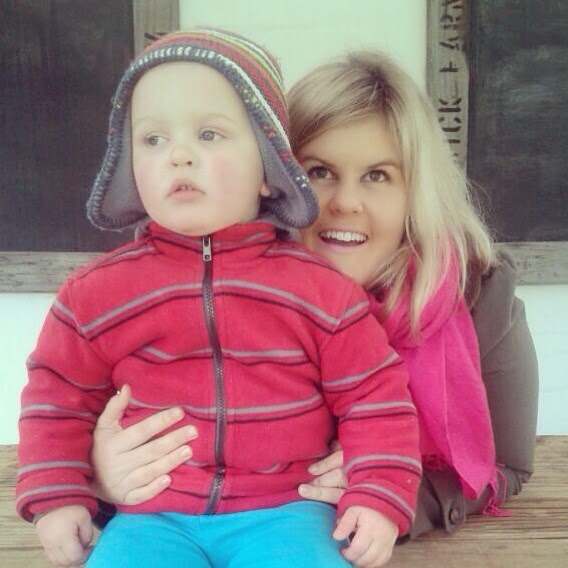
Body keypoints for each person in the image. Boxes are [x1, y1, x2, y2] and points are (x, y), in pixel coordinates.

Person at [88, 49, 539, 541]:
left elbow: (507, 465)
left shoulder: (479, 295)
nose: (345, 202)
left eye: (377, 175)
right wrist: (100, 478)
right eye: (320, 171)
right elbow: (74, 413)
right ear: (274, 177)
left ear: (415, 193)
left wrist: (398, 495)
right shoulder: (176, 288)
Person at [16, 31, 422, 568]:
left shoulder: (323, 292)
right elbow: (56, 398)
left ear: (269, 170)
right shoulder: (94, 294)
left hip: (288, 514)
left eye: (209, 134)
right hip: (150, 517)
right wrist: (58, 496)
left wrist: (378, 496)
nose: (179, 155)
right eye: (153, 139)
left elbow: (375, 398)